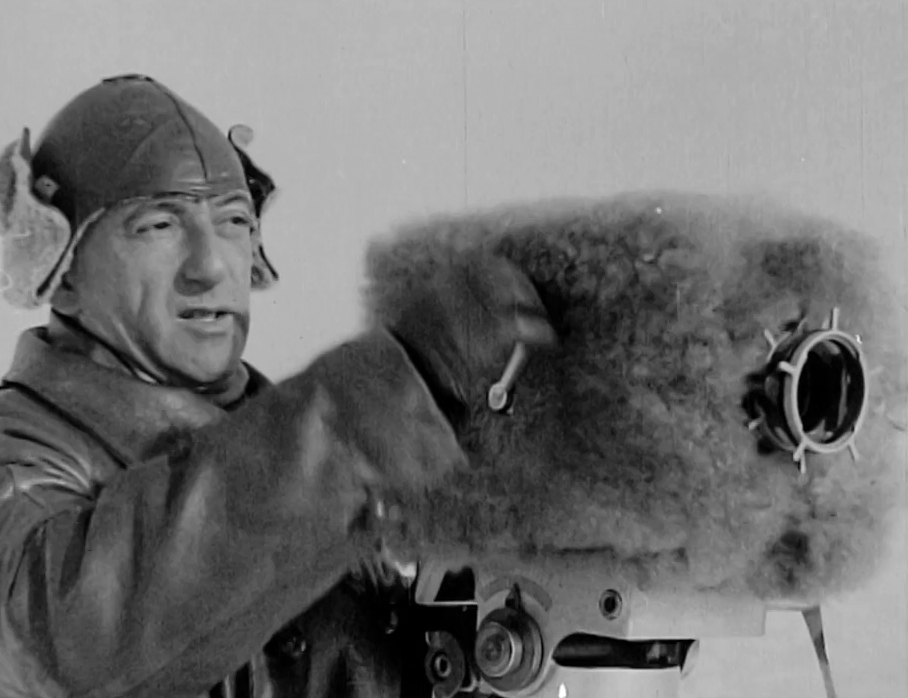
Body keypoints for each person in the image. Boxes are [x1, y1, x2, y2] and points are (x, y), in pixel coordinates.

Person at [0, 74, 555, 698]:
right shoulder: (25, 462)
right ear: (62, 272)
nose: (212, 265)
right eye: (157, 226)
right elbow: (71, 647)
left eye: (233, 221)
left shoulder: (276, 442)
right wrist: (390, 397)